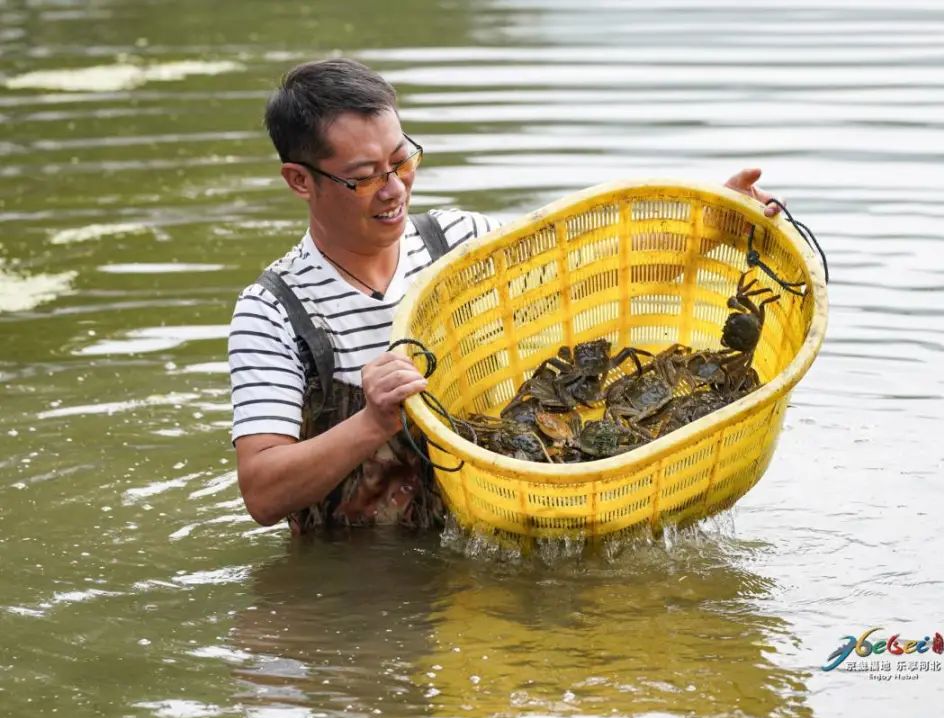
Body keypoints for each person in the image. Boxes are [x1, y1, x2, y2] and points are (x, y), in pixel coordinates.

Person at [229, 58, 783, 534]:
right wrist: (371, 422)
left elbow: (596, 268)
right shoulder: (276, 312)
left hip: (499, 545)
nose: (394, 189)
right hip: (363, 586)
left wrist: (713, 222)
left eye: (401, 161)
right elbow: (262, 491)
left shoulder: (459, 244)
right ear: (300, 180)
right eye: (365, 177)